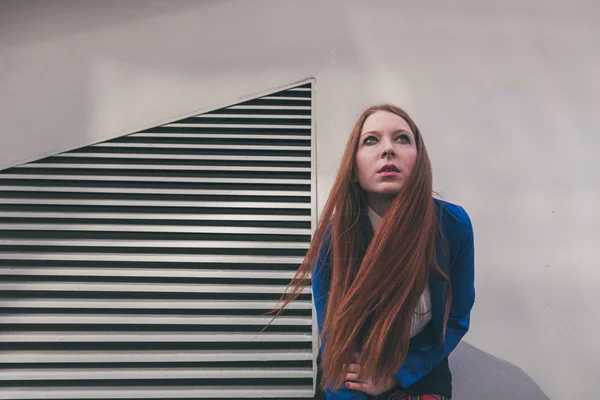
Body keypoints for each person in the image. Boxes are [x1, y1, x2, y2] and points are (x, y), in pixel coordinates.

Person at [266, 103, 475, 399]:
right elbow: (335, 341)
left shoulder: (453, 226)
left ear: (419, 161)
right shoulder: (332, 237)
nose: (388, 150)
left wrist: (396, 375)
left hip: (422, 364)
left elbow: (456, 319)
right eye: (371, 140)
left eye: (402, 138)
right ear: (354, 170)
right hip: (349, 368)